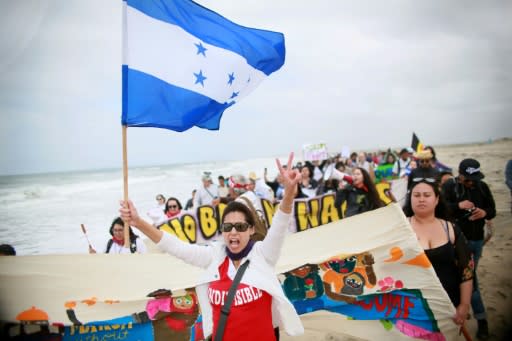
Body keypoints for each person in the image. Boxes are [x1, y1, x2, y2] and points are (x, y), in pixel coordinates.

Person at [119, 153, 304, 340]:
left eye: (240, 227)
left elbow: (280, 224)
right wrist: (138, 222)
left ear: (251, 229)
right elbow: (175, 246)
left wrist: (288, 193)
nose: (233, 232)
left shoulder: (263, 254)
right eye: (227, 227)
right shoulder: (214, 256)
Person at [403, 173, 473, 328]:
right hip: (412, 307)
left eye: (427, 195)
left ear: (436, 200)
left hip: (448, 306)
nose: (421, 199)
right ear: (411, 199)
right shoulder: (400, 230)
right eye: (417, 195)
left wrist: (464, 305)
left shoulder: (450, 229)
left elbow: (466, 270)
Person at [442, 158, 496, 340]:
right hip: (456, 242)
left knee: (468, 279)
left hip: (477, 240)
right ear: (460, 175)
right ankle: (480, 320)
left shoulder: (482, 187)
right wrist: (458, 205)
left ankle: (465, 311)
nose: (472, 183)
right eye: (468, 179)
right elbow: (441, 209)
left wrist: (484, 213)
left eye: (475, 179)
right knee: (469, 280)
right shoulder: (450, 186)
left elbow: (492, 209)